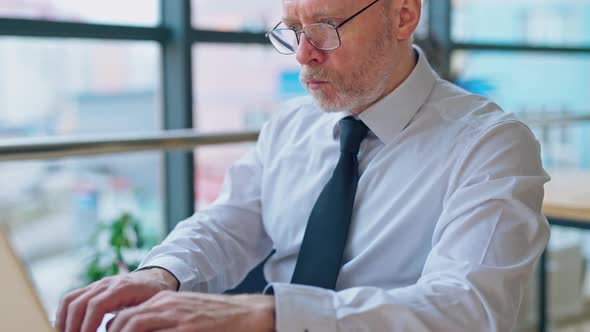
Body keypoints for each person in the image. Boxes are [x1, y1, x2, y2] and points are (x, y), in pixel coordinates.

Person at [56, 0, 550, 331]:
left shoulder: (491, 144)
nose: (302, 56)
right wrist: (164, 273)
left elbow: (467, 309)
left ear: (402, 16)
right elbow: (230, 222)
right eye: (293, 31)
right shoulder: (292, 124)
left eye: (324, 28)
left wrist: (268, 316)